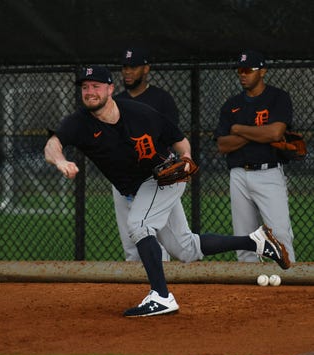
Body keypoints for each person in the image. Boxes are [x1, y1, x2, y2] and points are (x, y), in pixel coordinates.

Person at [44, 65, 290, 317]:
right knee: (186, 249)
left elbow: (178, 138)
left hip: (162, 177)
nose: (89, 92)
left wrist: (186, 157)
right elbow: (53, 144)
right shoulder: (78, 122)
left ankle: (162, 296)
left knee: (139, 225)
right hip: (133, 188)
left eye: (96, 86)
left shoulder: (139, 113)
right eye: (85, 87)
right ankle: (255, 241)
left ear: (110, 89)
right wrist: (60, 161)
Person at [214, 50, 295, 263]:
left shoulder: (278, 97)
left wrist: (239, 129)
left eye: (248, 70)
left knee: (280, 233)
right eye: (240, 70)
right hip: (238, 174)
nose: (243, 74)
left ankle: (289, 286)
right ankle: (248, 291)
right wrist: (259, 134)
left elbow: (275, 133)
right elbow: (223, 145)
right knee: (244, 238)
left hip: (268, 172)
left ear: (262, 71)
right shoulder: (230, 105)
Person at [114, 47, 179, 262]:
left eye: (133, 67)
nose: (128, 72)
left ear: (146, 69)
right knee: (131, 245)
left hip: (156, 177)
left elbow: (169, 140)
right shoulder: (115, 102)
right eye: (125, 67)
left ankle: (161, 289)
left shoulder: (162, 100)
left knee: (164, 240)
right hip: (123, 178)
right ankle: (137, 292)